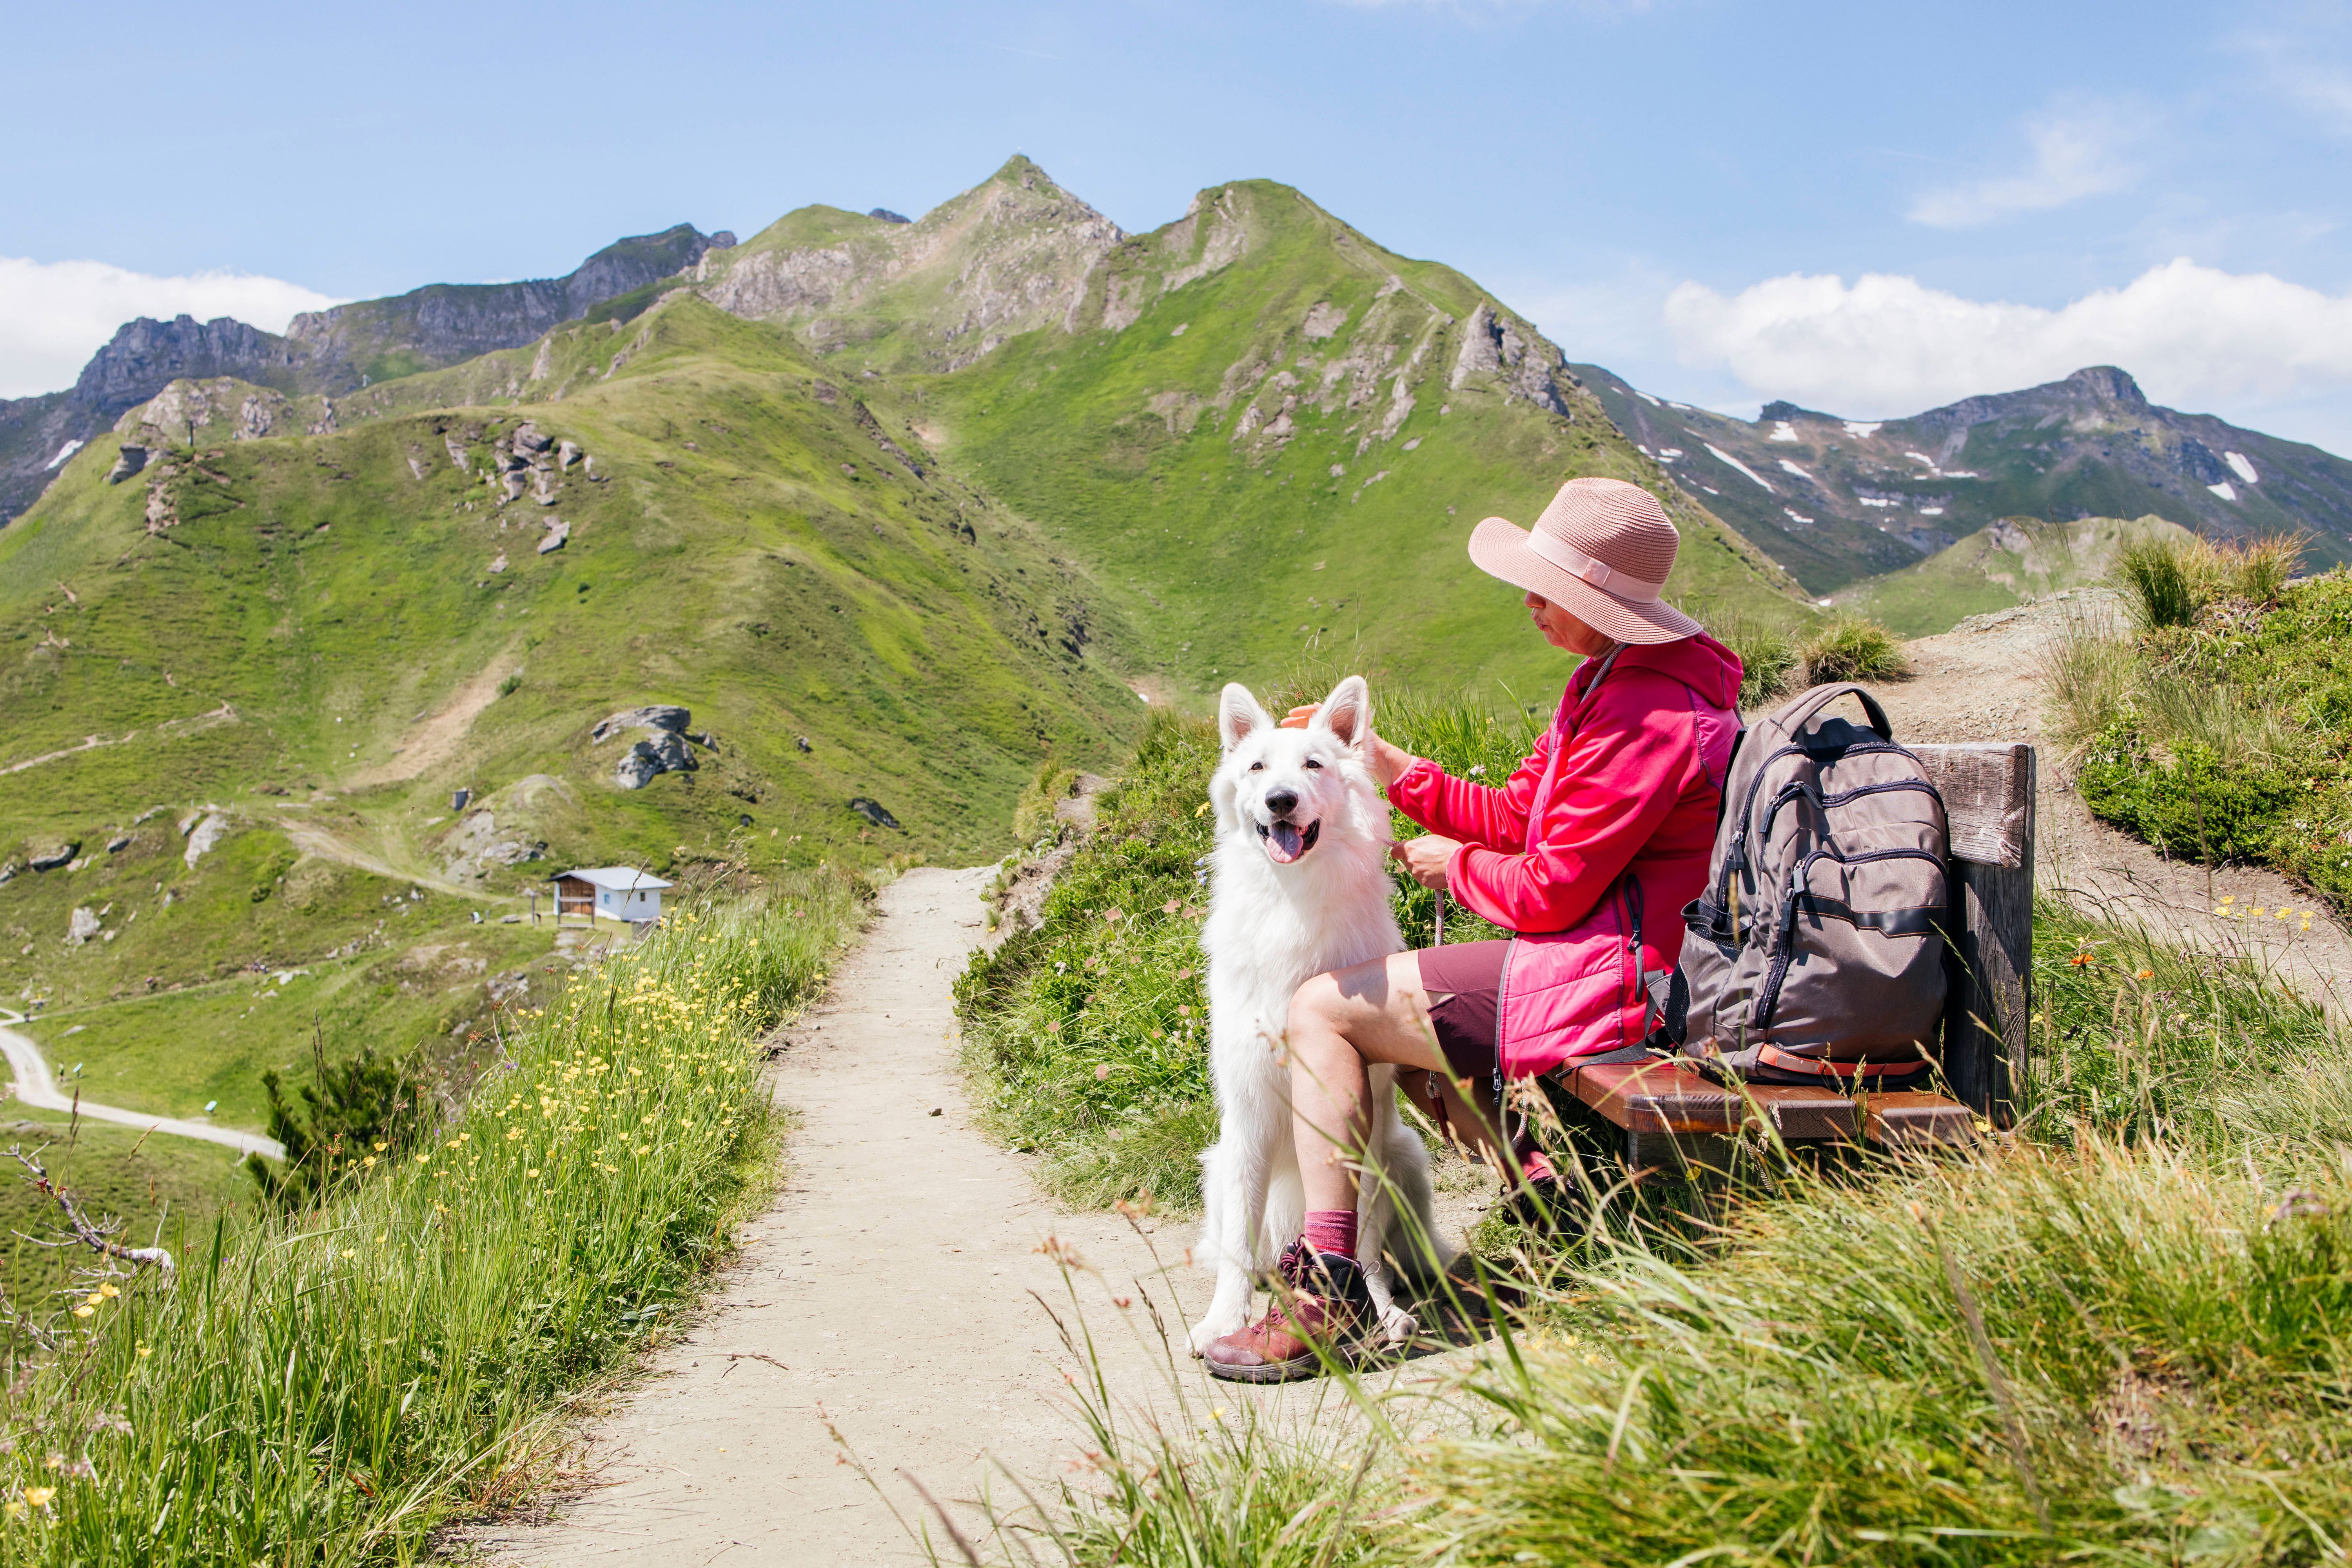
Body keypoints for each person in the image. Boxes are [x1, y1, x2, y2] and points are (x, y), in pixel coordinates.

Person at [1202, 476, 1744, 1382]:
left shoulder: (1649, 716)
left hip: (1629, 971)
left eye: (1547, 588)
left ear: (1601, 601)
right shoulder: (1610, 684)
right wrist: (1390, 766)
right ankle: (1556, 1208)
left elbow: (1550, 890)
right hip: (1595, 951)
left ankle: (1331, 1289)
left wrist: (1453, 867)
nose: (1529, 601)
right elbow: (1518, 813)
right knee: (1400, 1019)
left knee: (1324, 1010)